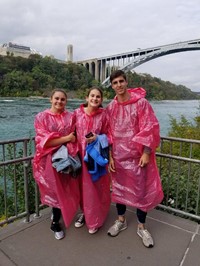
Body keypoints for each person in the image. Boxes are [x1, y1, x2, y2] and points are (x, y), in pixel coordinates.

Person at [106, 70, 163, 248]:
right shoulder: (111, 107)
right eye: (115, 83)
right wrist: (110, 157)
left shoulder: (141, 103)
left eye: (121, 81)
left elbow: (150, 127)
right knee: (120, 191)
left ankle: (142, 227)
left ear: (126, 82)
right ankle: (120, 220)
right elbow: (108, 134)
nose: (119, 85)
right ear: (112, 86)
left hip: (138, 157)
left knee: (141, 192)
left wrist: (146, 152)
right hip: (118, 157)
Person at [32, 89, 80, 240]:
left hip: (67, 160)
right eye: (56, 99)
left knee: (65, 189)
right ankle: (55, 223)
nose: (59, 102)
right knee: (55, 191)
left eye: (62, 99)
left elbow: (77, 135)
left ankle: (59, 213)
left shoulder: (71, 117)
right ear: (50, 99)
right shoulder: (42, 117)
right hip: (49, 162)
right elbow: (45, 142)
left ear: (66, 101)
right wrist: (66, 138)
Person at [73, 86, 111, 234]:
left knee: (96, 188)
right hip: (80, 156)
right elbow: (69, 133)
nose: (95, 99)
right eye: (92, 96)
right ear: (87, 98)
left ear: (101, 100)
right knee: (82, 189)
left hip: (95, 158)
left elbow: (110, 135)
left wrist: (98, 138)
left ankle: (95, 218)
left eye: (98, 97)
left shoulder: (104, 115)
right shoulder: (76, 114)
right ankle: (85, 213)